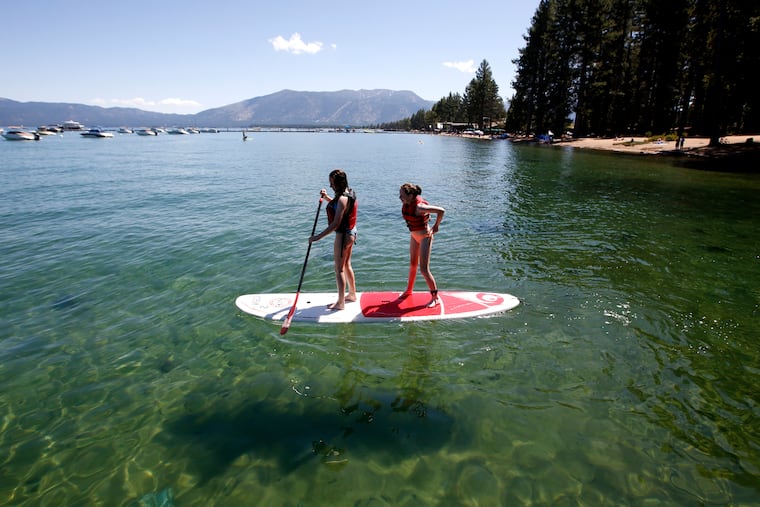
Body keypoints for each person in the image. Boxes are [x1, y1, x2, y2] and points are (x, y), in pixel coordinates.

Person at [309, 169, 358, 310]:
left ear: (338, 183)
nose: (330, 186)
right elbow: (341, 208)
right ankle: (352, 295)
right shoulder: (348, 192)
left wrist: (317, 237)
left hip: (343, 236)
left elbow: (336, 223)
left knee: (339, 270)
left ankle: (341, 303)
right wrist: (327, 198)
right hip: (351, 233)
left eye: (332, 183)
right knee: (347, 265)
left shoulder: (342, 199)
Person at [398, 183, 445, 307]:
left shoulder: (420, 207)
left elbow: (441, 211)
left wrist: (436, 226)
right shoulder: (407, 204)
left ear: (411, 195)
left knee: (424, 269)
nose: (400, 198)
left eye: (402, 195)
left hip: (425, 237)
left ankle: (435, 298)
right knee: (413, 264)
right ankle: (409, 291)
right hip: (414, 236)